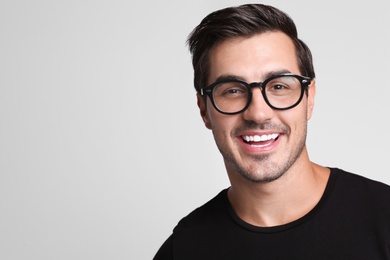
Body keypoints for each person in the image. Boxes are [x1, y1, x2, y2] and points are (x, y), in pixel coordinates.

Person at [153, 3, 390, 259]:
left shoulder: (384, 218)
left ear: (309, 98)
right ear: (203, 109)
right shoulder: (184, 248)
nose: (258, 113)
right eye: (232, 90)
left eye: (278, 86)